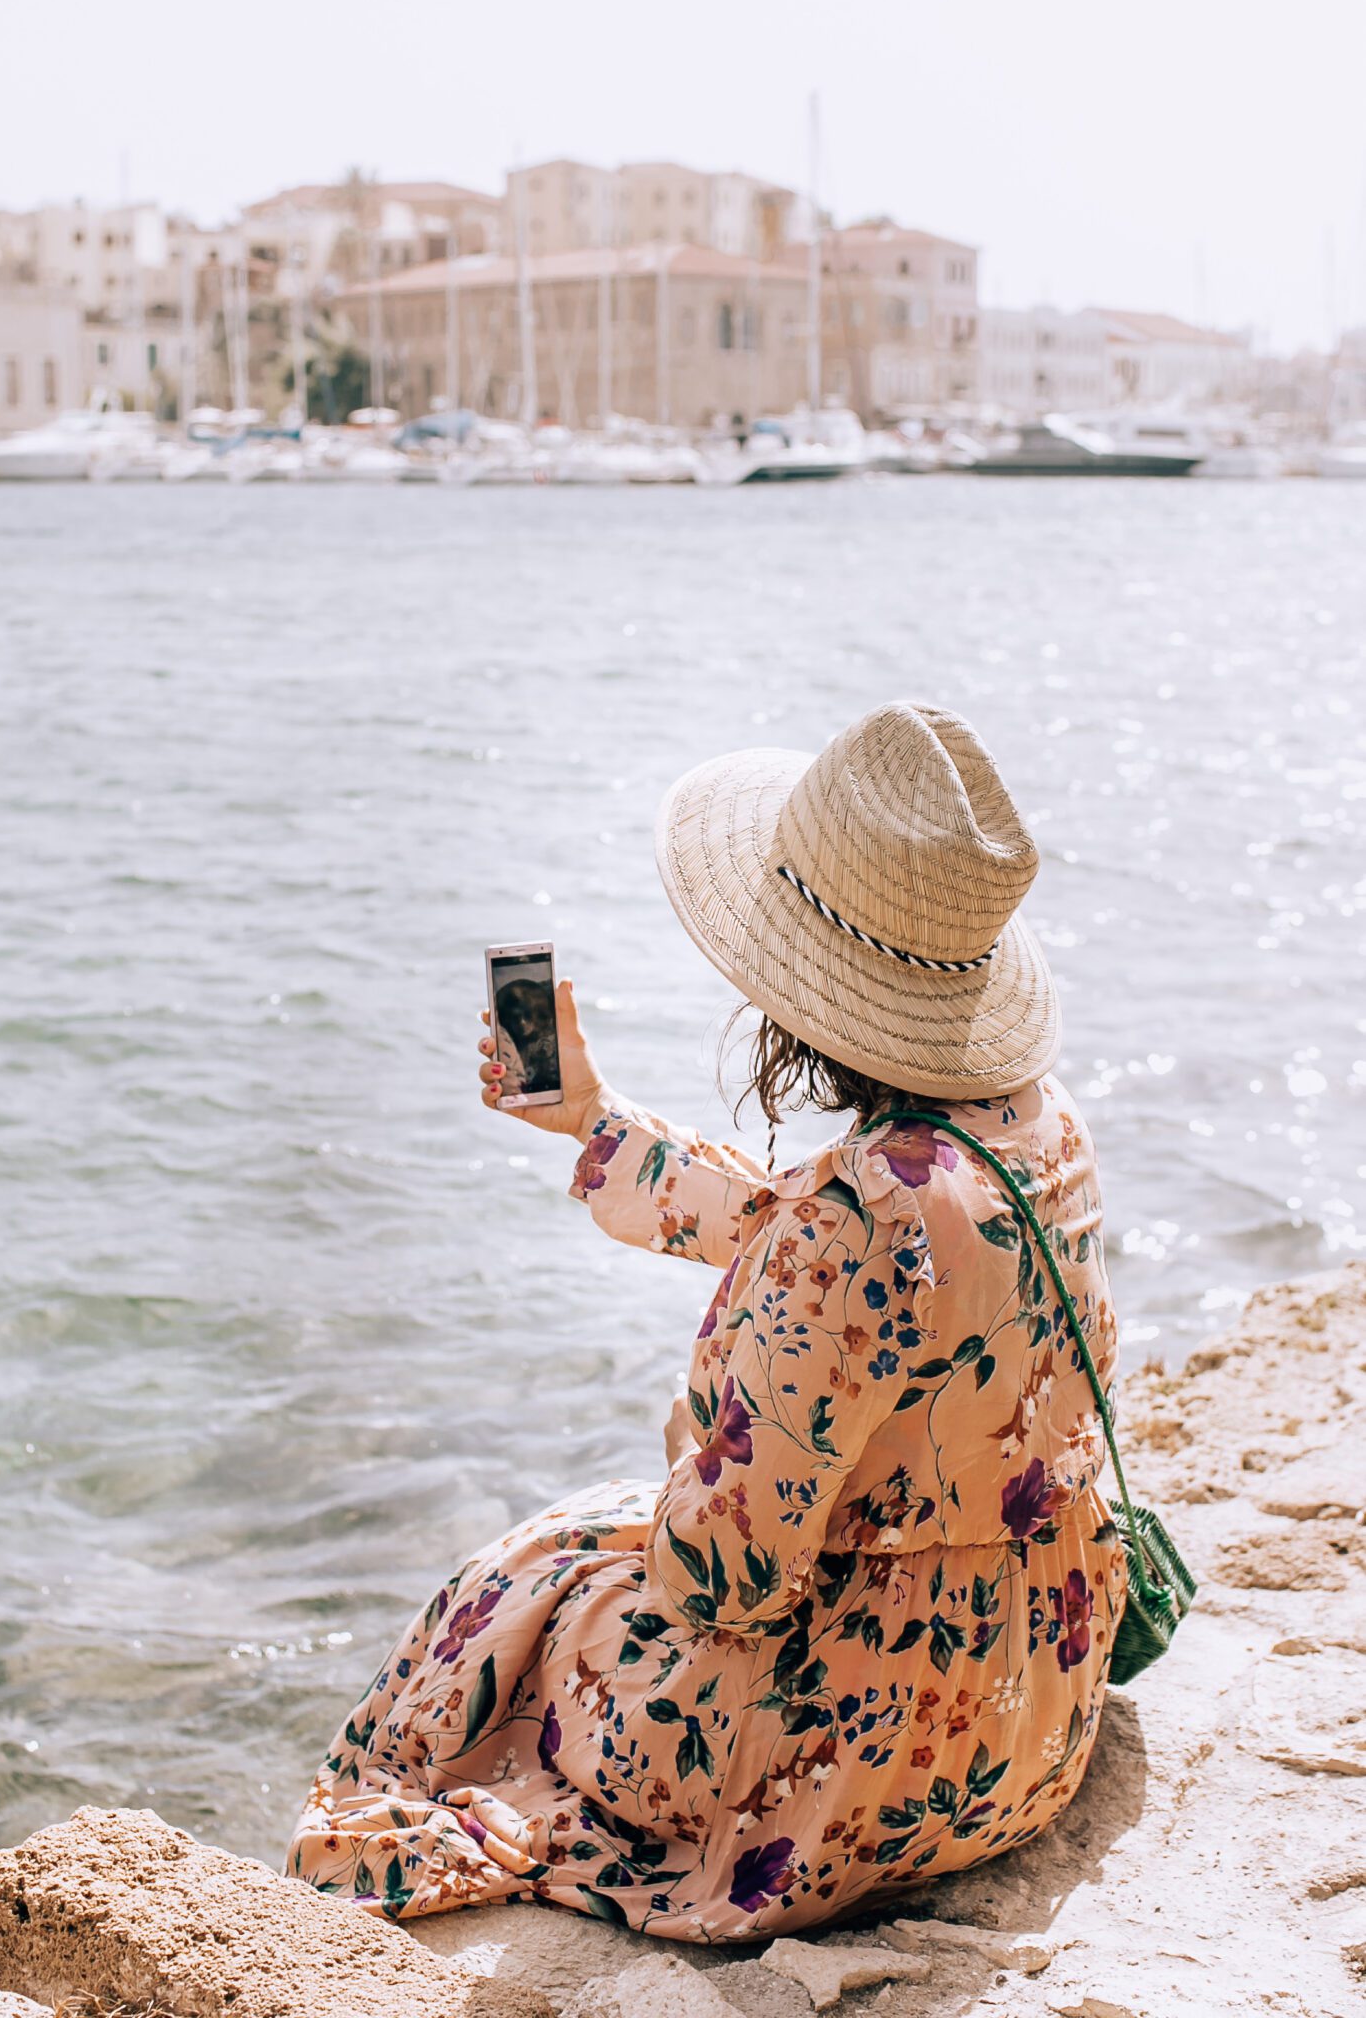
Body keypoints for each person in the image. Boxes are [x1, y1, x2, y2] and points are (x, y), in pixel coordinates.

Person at [290, 701, 1124, 1941]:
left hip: (870, 1766)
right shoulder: (1031, 1124)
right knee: (576, 1551)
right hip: (1036, 1698)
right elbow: (811, 1234)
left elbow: (724, 1576)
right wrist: (593, 1119)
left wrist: (691, 1452)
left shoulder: (851, 1223)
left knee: (523, 1586)